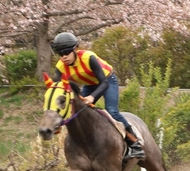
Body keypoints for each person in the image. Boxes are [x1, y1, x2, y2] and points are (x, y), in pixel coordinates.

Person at [50, 32, 144, 160]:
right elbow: (59, 92)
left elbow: (104, 83)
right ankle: (81, 149)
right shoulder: (60, 67)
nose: (64, 56)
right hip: (90, 84)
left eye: (67, 52)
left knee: (111, 110)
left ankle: (135, 143)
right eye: (60, 54)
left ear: (75, 49)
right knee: (75, 111)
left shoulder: (89, 57)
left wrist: (92, 97)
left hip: (107, 80)